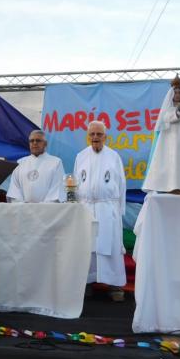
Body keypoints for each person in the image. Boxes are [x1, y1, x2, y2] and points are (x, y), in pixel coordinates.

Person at [74, 121, 127, 301]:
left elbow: (121, 185)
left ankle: (115, 285)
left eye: (99, 134)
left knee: (110, 246)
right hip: (86, 208)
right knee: (87, 247)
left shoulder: (114, 157)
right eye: (92, 134)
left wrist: (119, 211)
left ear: (105, 137)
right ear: (88, 137)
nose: (95, 137)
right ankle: (86, 283)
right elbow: (75, 183)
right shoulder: (80, 156)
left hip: (107, 207)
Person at [7, 130, 66, 203]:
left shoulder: (56, 162)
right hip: (23, 211)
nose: (34, 143)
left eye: (38, 140)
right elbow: (14, 190)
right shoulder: (20, 163)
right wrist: (22, 205)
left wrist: (40, 208)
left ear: (45, 144)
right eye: (31, 141)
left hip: (47, 211)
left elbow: (57, 190)